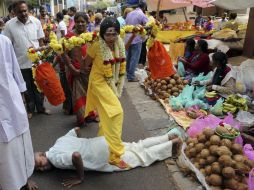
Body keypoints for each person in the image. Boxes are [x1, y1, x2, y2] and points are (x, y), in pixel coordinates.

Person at [34, 128, 181, 188]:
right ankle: (168, 136)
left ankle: (172, 145)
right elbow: (76, 130)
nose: (41, 168)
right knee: (137, 146)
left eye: (39, 163)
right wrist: (83, 144)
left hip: (104, 156)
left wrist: (80, 177)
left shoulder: (54, 159)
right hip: (103, 142)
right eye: (38, 170)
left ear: (41, 154)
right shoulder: (59, 141)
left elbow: (76, 155)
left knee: (141, 157)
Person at [82, 17, 128, 168]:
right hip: (98, 82)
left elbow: (120, 59)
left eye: (114, 34)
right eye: (108, 34)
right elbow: (85, 64)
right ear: (102, 34)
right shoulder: (96, 46)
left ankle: (102, 147)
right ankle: (115, 153)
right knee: (117, 112)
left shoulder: (119, 44)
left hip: (110, 83)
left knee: (106, 115)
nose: (111, 37)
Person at [0, 34, 38, 190]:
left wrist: (22, 97)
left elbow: (15, 70)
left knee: (16, 142)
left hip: (10, 101)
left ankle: (23, 179)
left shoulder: (4, 41)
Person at [3, 0, 50, 119]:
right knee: (26, 87)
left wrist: (42, 56)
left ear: (28, 10)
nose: (23, 14)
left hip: (36, 62)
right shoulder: (9, 25)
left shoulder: (36, 22)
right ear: (14, 12)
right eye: (20, 12)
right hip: (20, 63)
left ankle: (41, 107)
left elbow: (40, 41)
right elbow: (7, 45)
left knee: (39, 86)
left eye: (25, 11)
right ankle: (30, 109)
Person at [62, 12, 97, 126]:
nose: (80, 24)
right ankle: (81, 118)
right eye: (78, 22)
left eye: (83, 22)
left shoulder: (91, 36)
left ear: (87, 23)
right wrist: (73, 69)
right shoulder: (69, 37)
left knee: (91, 94)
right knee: (79, 95)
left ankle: (91, 115)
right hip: (76, 71)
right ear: (74, 23)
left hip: (89, 70)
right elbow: (64, 54)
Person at [125, 2, 148, 82]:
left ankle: (128, 74)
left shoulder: (129, 13)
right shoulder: (142, 14)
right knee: (134, 58)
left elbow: (126, 24)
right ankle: (131, 76)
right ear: (144, 7)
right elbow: (147, 25)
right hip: (136, 38)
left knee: (129, 57)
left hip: (127, 38)